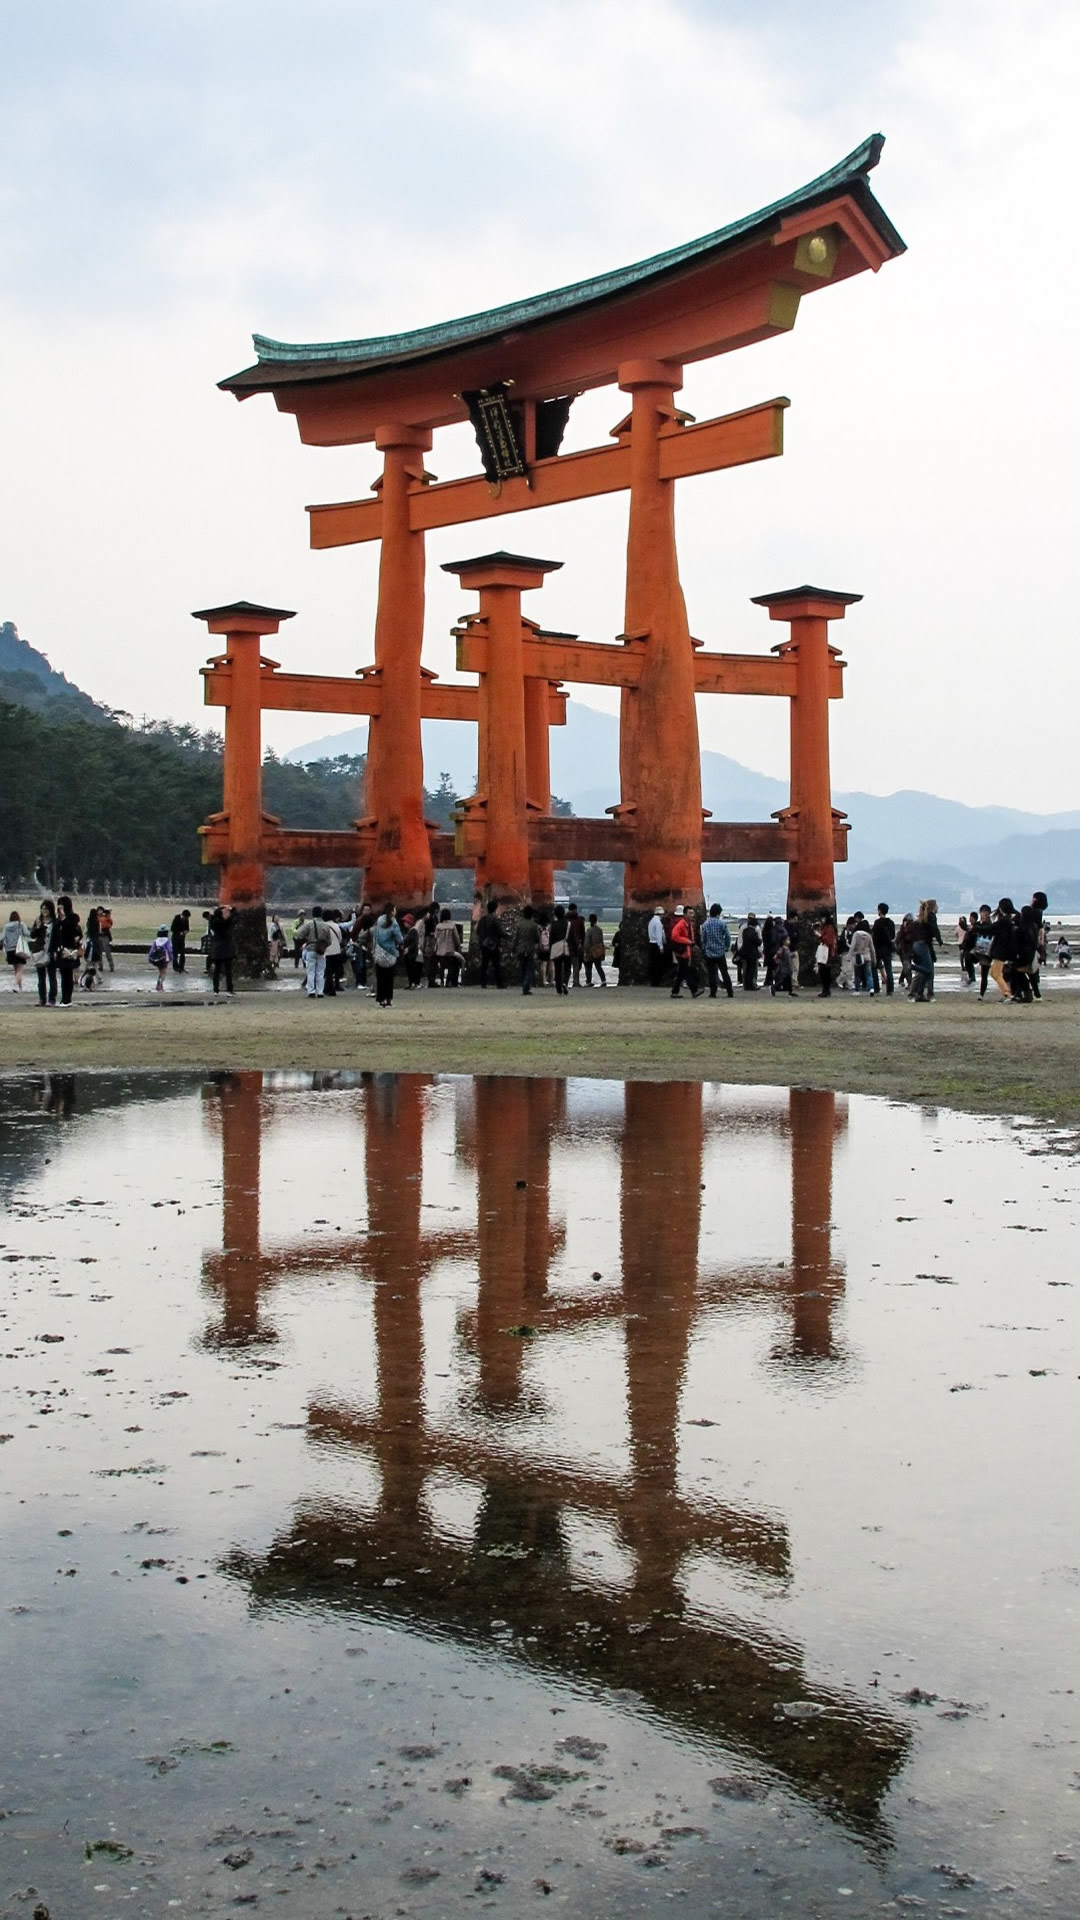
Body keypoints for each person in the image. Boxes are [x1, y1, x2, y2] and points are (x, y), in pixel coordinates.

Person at [49, 895, 83, 1006]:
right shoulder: (57, 920)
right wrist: (52, 950)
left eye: (61, 906)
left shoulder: (72, 918)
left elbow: (74, 931)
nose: (59, 909)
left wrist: (64, 918)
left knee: (68, 975)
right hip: (59, 951)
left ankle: (67, 999)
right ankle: (64, 998)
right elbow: (54, 935)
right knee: (63, 975)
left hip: (69, 951)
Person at [293, 905, 330, 998]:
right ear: (321, 914)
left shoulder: (309, 924)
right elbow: (329, 941)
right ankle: (320, 992)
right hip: (321, 950)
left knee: (311, 971)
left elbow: (299, 935)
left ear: (312, 914)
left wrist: (307, 939)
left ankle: (311, 991)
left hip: (310, 949)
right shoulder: (326, 925)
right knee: (320, 972)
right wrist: (323, 946)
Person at [909, 898, 943, 1002]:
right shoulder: (931, 916)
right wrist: (940, 941)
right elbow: (934, 929)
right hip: (922, 945)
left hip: (917, 945)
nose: (938, 908)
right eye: (937, 906)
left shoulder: (921, 918)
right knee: (928, 970)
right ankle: (910, 967)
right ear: (933, 907)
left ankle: (919, 994)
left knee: (924, 971)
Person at [700, 904, 734, 1000]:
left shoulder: (705, 924)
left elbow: (703, 939)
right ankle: (729, 991)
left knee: (712, 973)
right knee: (724, 972)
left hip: (709, 952)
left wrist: (704, 948)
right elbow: (727, 936)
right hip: (720, 952)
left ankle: (713, 992)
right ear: (718, 913)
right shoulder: (722, 923)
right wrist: (726, 947)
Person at [372, 903, 403, 1006]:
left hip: (379, 951)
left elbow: (375, 936)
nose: (396, 912)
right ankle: (389, 999)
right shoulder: (393, 922)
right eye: (395, 910)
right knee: (389, 978)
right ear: (391, 911)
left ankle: (381, 999)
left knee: (380, 977)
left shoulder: (379, 920)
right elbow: (400, 938)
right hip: (390, 952)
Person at [987, 898, 1017, 1002]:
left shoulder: (1005, 920)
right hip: (1001, 950)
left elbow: (991, 928)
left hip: (1001, 951)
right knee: (993, 973)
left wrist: (975, 928)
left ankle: (1008, 994)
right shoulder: (1009, 919)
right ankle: (1007, 993)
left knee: (997, 974)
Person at [669, 906, 701, 999]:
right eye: (690, 913)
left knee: (682, 973)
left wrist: (691, 944)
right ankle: (694, 990)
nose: (692, 915)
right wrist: (688, 941)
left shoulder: (688, 924)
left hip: (685, 951)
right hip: (681, 951)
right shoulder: (681, 924)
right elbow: (674, 936)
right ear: (685, 914)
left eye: (692, 913)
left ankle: (675, 992)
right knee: (685, 971)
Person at [30, 900, 56, 1006]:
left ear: (50, 910)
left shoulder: (55, 921)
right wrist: (37, 927)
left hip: (50, 951)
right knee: (41, 977)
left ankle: (52, 999)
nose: (44, 911)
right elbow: (32, 935)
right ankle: (42, 999)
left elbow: (58, 936)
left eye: (46, 909)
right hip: (40, 951)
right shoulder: (38, 920)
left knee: (52, 976)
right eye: (42, 908)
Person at [207, 903, 235, 996]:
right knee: (228, 970)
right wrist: (231, 909)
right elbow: (235, 917)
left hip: (217, 949)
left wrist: (221, 910)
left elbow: (212, 918)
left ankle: (216, 990)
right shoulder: (226, 923)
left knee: (217, 970)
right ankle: (229, 990)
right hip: (226, 948)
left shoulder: (214, 923)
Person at [513, 905, 542, 994]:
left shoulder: (519, 924)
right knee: (529, 968)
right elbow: (537, 938)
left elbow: (515, 938)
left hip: (520, 949)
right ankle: (526, 985)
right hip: (529, 949)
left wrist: (513, 948)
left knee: (522, 968)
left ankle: (524, 984)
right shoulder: (534, 925)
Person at [475, 901, 504, 988]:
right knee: (496, 964)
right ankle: (499, 983)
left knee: (484, 964)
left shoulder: (482, 919)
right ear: (495, 909)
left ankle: (483, 983)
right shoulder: (495, 919)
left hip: (484, 944)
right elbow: (500, 932)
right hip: (493, 945)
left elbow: (478, 931)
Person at [871, 903, 896, 996]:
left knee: (874, 967)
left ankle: (876, 987)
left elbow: (875, 937)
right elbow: (893, 936)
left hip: (878, 948)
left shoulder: (877, 923)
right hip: (887, 948)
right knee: (889, 969)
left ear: (880, 911)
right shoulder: (891, 923)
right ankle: (890, 989)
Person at [434, 909, 463, 986]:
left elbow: (435, 937)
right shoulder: (452, 926)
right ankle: (448, 982)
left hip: (440, 950)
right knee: (450, 966)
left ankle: (441, 982)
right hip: (449, 949)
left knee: (442, 966)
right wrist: (458, 947)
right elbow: (456, 938)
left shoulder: (438, 926)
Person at [3, 910, 30, 991]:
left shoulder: (6, 926)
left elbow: (2, 937)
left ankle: (20, 988)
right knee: (20, 970)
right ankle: (14, 985)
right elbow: (27, 934)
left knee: (16, 970)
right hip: (19, 949)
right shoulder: (21, 924)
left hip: (10, 950)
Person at [851, 915, 876, 994]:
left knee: (857, 974)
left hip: (858, 956)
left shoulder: (856, 935)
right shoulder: (869, 936)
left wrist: (850, 956)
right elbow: (872, 949)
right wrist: (874, 959)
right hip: (867, 956)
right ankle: (871, 988)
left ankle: (857, 990)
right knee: (868, 974)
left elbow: (852, 946)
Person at [549, 906, 571, 995]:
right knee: (567, 968)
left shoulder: (553, 924)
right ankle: (565, 982)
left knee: (557, 969)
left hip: (556, 948)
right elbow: (572, 938)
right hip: (566, 948)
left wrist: (551, 949)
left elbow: (551, 938)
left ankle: (558, 988)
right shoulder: (568, 924)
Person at [739, 913, 762, 991]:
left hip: (745, 952)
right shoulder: (755, 931)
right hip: (752, 953)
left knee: (746, 969)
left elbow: (740, 941)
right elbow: (758, 942)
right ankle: (752, 984)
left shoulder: (744, 930)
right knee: (752, 970)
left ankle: (746, 984)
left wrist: (740, 950)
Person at [815, 915, 836, 997]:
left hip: (827, 952)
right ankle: (826, 989)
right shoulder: (826, 927)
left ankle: (826, 990)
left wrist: (820, 936)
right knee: (824, 972)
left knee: (825, 972)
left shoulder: (829, 928)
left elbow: (829, 941)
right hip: (825, 951)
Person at [567, 903, 586, 988]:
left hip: (565, 946)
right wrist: (582, 944)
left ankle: (564, 981)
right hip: (576, 946)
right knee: (576, 965)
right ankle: (576, 981)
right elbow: (583, 934)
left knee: (566, 965)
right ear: (575, 909)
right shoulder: (579, 921)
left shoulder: (565, 920)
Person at [584, 914, 607, 986]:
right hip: (598, 951)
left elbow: (587, 942)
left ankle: (588, 981)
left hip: (590, 951)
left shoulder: (589, 930)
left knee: (588, 967)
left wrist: (585, 951)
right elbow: (601, 941)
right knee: (598, 967)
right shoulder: (599, 930)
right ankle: (603, 980)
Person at [647, 906, 667, 988]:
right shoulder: (658, 923)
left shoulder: (651, 921)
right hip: (656, 944)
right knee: (658, 964)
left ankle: (653, 981)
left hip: (651, 943)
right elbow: (659, 936)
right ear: (661, 914)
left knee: (653, 963)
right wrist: (661, 946)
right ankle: (657, 981)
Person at [148, 924, 172, 991]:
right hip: (164, 959)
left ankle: (159, 986)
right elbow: (170, 950)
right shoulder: (167, 940)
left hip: (157, 959)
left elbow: (151, 950)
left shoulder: (156, 941)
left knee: (160, 972)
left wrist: (150, 958)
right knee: (164, 973)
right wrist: (171, 958)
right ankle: (159, 985)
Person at [771, 929, 795, 996]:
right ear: (783, 941)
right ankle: (775, 987)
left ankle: (790, 991)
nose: (789, 941)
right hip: (784, 968)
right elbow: (778, 956)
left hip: (787, 967)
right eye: (788, 940)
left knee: (788, 980)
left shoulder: (786, 949)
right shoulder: (782, 949)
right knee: (782, 980)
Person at [170, 907, 191, 973]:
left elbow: (187, 928)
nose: (187, 919)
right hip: (175, 938)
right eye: (186, 917)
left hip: (182, 939)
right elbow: (172, 928)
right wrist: (179, 932)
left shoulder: (186, 920)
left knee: (182, 953)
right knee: (175, 953)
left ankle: (181, 967)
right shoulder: (177, 918)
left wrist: (186, 932)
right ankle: (176, 967)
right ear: (183, 915)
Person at [97, 904, 115, 972]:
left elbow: (110, 924)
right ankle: (100, 966)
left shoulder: (106, 918)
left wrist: (108, 915)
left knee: (107, 952)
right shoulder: (97, 918)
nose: (100, 912)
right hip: (99, 936)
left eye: (101, 910)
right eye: (99, 910)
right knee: (99, 952)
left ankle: (111, 966)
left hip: (105, 936)